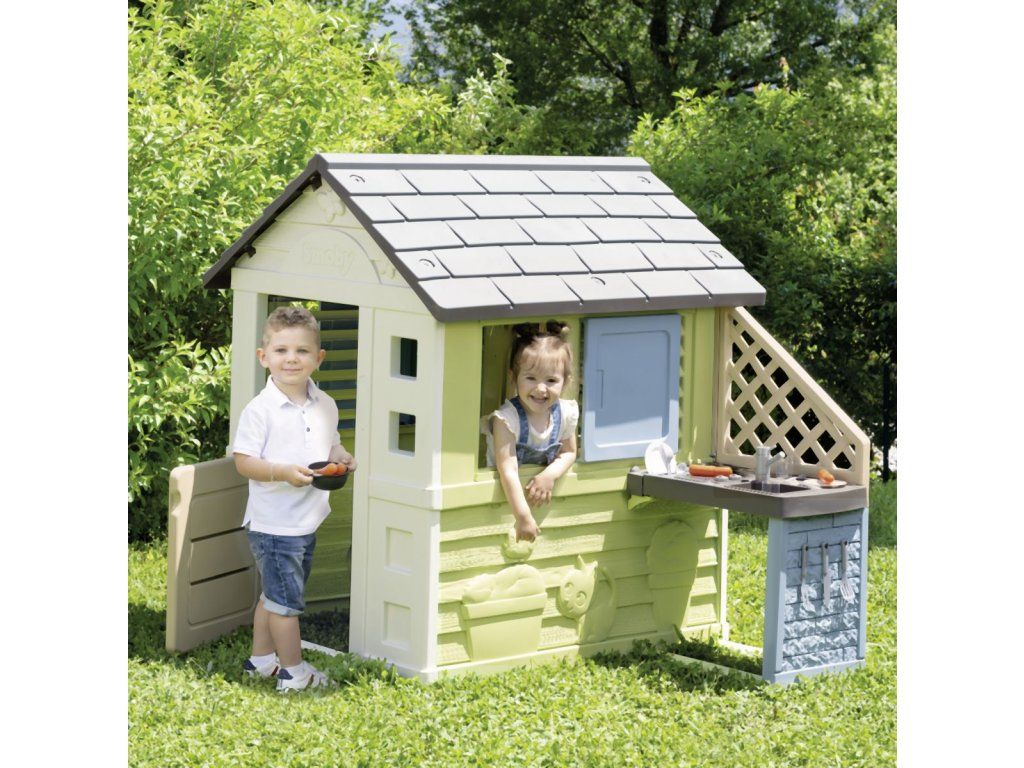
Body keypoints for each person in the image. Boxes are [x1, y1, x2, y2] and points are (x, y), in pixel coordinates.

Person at [232, 306, 357, 692]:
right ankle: (294, 673)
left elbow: (329, 443)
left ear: (318, 358)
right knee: (286, 605)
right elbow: (243, 462)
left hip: (306, 519)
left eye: (302, 351)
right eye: (281, 350)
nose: (291, 359)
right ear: (263, 357)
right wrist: (282, 472)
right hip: (274, 524)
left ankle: (261, 661)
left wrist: (340, 457)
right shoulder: (260, 411)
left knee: (274, 595)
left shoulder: (325, 404)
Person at [481, 321, 579, 542]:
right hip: (501, 507)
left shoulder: (565, 413)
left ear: (566, 382)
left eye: (551, 380)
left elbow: (569, 452)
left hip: (543, 509)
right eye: (531, 378)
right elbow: (508, 470)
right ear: (513, 377)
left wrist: (549, 476)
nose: (541, 388)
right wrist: (523, 517)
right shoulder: (507, 420)